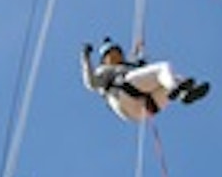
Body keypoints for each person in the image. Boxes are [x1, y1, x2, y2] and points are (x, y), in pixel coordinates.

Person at [80, 37, 210, 122]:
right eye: (111, 54)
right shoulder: (104, 70)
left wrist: (140, 62)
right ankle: (176, 88)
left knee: (173, 77)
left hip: (143, 110)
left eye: (118, 53)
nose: (116, 56)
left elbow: (145, 73)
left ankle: (185, 93)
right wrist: (85, 58)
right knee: (163, 67)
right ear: (104, 59)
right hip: (122, 95)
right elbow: (91, 83)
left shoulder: (129, 66)